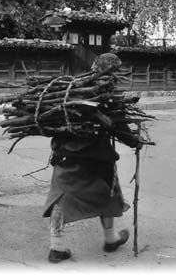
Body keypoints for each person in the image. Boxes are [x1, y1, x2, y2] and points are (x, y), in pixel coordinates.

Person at [42, 53, 130, 263]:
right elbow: (120, 126)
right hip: (97, 158)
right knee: (107, 195)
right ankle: (110, 239)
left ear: (94, 66)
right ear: (112, 71)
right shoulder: (107, 94)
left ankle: (57, 247)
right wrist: (135, 141)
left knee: (61, 198)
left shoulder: (71, 87)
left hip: (66, 156)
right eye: (116, 71)